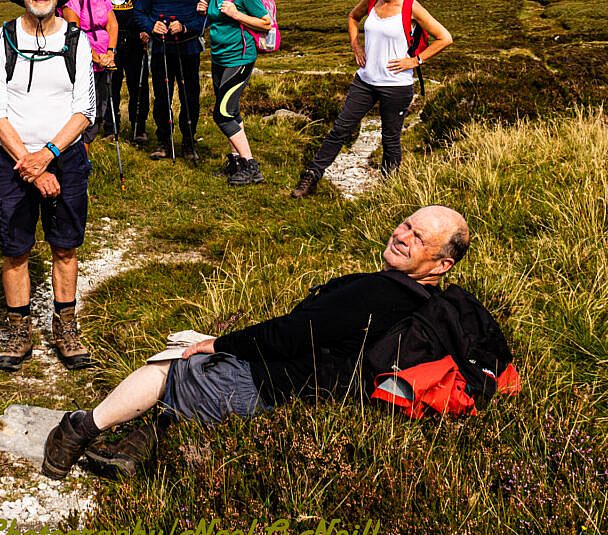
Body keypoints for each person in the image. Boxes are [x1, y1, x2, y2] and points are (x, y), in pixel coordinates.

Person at [42, 205, 470, 480]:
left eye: (418, 238)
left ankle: (79, 430)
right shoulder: (426, 301)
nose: (402, 235)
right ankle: (140, 445)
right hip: (324, 397)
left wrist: (219, 342)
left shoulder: (381, 294)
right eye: (407, 224)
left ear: (441, 262)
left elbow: (289, 335)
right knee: (200, 374)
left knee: (171, 366)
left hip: (274, 392)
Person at [0, 0, 97, 373]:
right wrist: (29, 164)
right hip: (13, 158)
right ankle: (19, 331)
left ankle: (66, 326)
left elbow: (85, 109)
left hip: (63, 160)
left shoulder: (77, 41)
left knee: (65, 244)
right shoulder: (0, 42)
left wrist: (45, 158)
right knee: (14, 249)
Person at [291, 0, 453, 199]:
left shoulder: (411, 6)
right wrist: (355, 46)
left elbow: (445, 38)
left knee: (390, 139)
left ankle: (389, 191)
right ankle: (311, 178)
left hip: (397, 85)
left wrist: (416, 60)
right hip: (365, 80)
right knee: (340, 129)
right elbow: (353, 18)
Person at [195, 0, 273, 186]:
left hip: (240, 58)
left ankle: (251, 166)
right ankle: (236, 161)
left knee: (222, 113)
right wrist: (203, 12)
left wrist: (236, 14)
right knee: (233, 112)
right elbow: (214, 21)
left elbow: (266, 23)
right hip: (219, 59)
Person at [134, 0, 208, 160]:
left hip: (188, 49)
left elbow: (207, 15)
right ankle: (164, 142)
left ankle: (188, 141)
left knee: (190, 96)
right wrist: (151, 26)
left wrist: (185, 28)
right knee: (162, 96)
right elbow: (139, 11)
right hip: (161, 49)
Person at [61, 0, 118, 152]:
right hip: (82, 60)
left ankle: (84, 157)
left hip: (103, 59)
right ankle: (78, 159)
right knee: (82, 109)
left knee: (98, 107)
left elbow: (112, 23)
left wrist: (110, 53)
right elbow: (74, 31)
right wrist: (95, 56)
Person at [99, 0, 150, 144]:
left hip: (136, 38)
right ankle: (111, 128)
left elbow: (151, 4)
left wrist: (147, 30)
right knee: (111, 84)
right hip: (110, 39)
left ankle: (139, 128)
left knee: (138, 86)